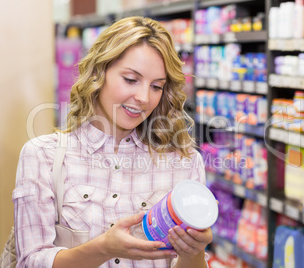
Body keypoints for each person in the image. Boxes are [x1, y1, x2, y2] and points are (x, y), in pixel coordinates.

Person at [13, 16, 212, 268]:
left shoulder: (185, 162)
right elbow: (30, 261)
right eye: (130, 79)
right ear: (99, 73)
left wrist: (193, 252)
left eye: (156, 86)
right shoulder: (43, 156)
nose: (143, 98)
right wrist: (103, 249)